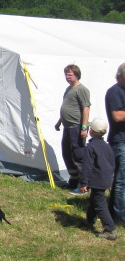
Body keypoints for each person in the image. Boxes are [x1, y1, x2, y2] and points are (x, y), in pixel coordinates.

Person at [77, 118, 117, 240]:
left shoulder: (91, 147)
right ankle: (90, 221)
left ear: (91, 131)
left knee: (100, 205)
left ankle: (109, 229)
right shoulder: (108, 147)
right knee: (94, 200)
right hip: (106, 179)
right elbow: (112, 164)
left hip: (97, 180)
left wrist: (83, 183)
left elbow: (87, 167)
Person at [54, 64, 91, 192]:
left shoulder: (82, 89)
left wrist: (84, 127)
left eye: (69, 75)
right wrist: (59, 122)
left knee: (78, 155)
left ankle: (83, 185)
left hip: (76, 126)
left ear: (76, 75)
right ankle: (73, 181)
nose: (67, 77)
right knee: (67, 154)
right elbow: (67, 107)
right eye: (66, 75)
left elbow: (86, 108)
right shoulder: (68, 89)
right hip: (67, 126)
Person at [106, 62, 125, 225]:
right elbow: (117, 116)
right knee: (121, 181)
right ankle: (119, 217)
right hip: (120, 141)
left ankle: (114, 211)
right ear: (121, 76)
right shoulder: (114, 92)